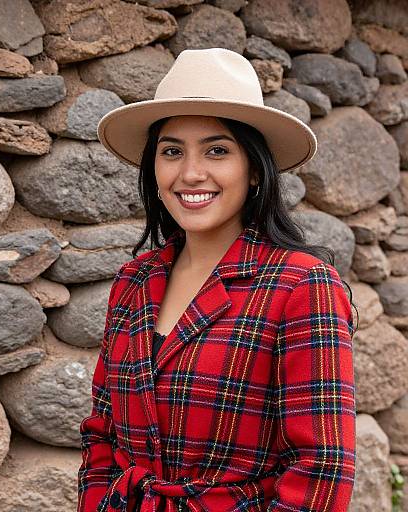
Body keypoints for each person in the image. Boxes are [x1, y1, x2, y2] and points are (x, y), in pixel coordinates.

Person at [77, 48, 357, 512]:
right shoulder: (133, 283)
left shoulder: (302, 287)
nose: (190, 173)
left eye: (217, 150)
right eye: (171, 151)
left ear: (253, 170)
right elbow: (102, 434)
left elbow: (321, 469)